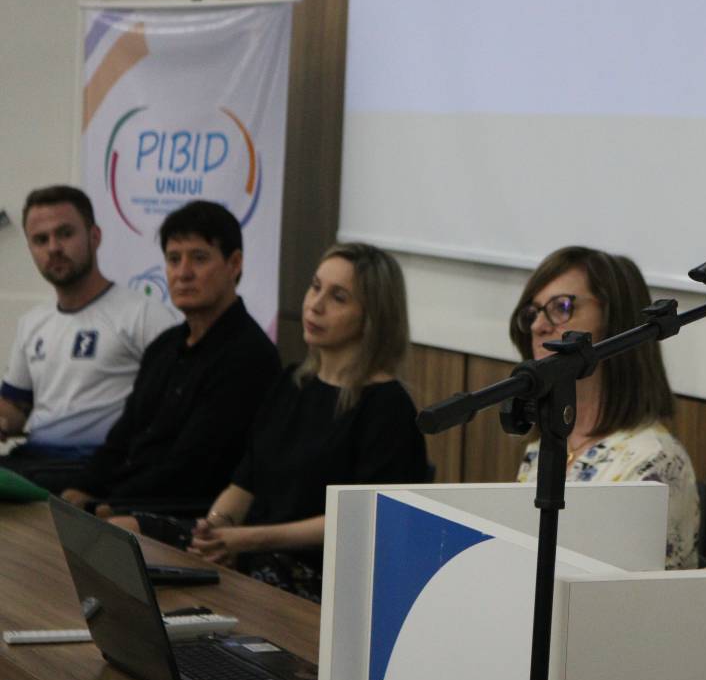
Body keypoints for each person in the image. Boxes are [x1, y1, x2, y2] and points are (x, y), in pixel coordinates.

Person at [117, 243, 429, 602]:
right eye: (315, 287)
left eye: (338, 297)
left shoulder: (388, 407)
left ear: (373, 317)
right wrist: (215, 528)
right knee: (123, 531)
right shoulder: (293, 382)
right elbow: (245, 482)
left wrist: (247, 539)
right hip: (249, 544)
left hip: (314, 571)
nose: (315, 305)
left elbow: (366, 521)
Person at [59, 200, 280, 508]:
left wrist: (108, 504)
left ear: (234, 264)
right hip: (127, 498)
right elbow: (120, 441)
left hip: (182, 511)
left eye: (199, 258)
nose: (183, 273)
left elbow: (193, 467)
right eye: (174, 259)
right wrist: (79, 491)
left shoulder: (249, 356)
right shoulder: (163, 347)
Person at [510, 246, 700, 570]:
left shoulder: (656, 462)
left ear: (614, 322)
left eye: (561, 307)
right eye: (532, 313)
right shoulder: (547, 442)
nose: (538, 325)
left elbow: (631, 596)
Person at [0, 186, 176, 490]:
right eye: (41, 240)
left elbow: (176, 405)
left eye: (65, 234)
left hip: (101, 468)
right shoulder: (32, 323)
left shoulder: (145, 315)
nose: (53, 247)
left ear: (95, 236)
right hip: (33, 461)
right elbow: (15, 408)